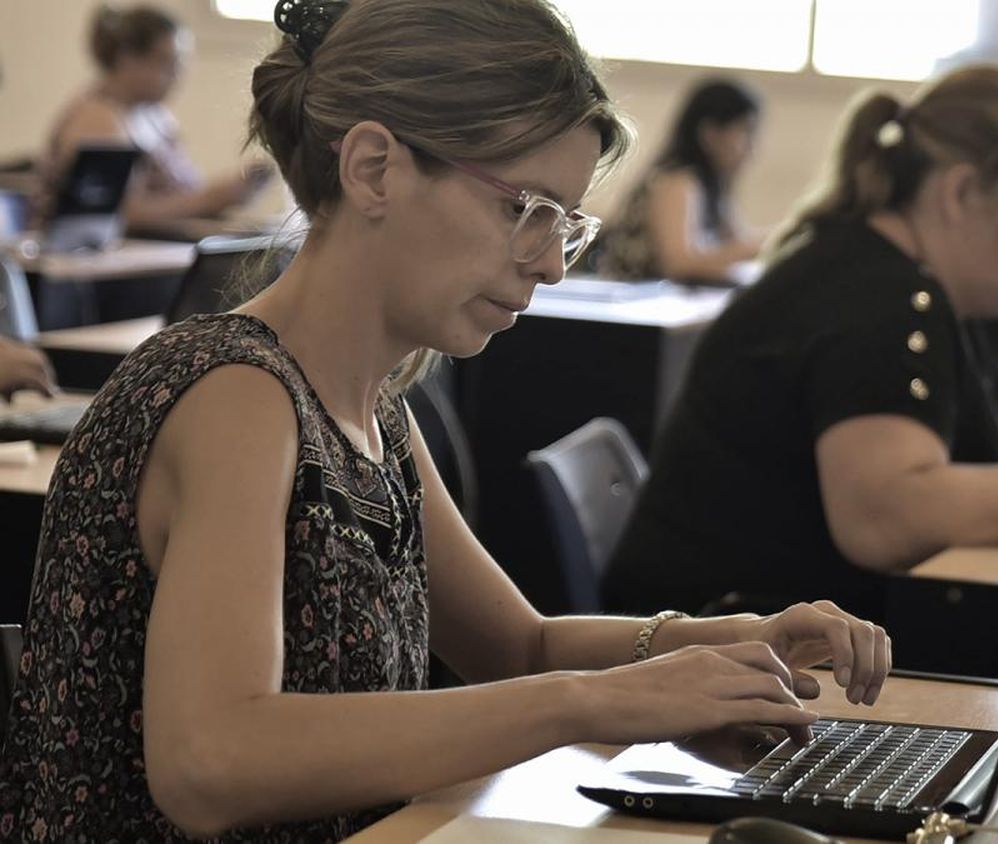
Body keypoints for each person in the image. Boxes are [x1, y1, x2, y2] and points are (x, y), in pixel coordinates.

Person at [0, 2, 889, 840]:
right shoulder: (233, 395)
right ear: (375, 167)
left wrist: (712, 648)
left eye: (566, 225)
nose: (551, 265)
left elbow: (520, 644)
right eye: (525, 211)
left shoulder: (370, 407)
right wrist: (596, 704)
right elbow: (209, 763)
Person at [604, 65, 998, 623]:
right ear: (960, 193)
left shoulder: (954, 293)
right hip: (722, 655)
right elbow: (889, 519)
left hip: (790, 647)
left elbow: (991, 443)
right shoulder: (872, 298)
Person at [35, 4, 270, 233]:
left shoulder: (156, 117)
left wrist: (231, 192)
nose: (178, 76)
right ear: (127, 59)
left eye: (181, 65)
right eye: (167, 63)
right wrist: (211, 199)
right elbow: (122, 214)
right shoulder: (98, 120)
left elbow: (183, 194)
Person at [596, 77, 763, 283]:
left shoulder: (714, 187)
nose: (752, 148)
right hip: (630, 300)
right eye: (745, 132)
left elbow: (735, 240)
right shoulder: (677, 181)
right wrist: (756, 246)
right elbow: (679, 264)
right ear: (710, 133)